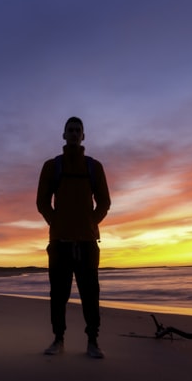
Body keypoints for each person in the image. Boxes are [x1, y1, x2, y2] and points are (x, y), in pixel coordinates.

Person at [36, 116, 111, 359]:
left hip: (88, 244)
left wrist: (89, 223)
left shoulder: (94, 166)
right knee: (58, 294)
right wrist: (57, 223)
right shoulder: (52, 166)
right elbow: (42, 202)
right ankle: (58, 339)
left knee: (91, 294)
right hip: (59, 243)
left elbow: (104, 202)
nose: (75, 133)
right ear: (64, 134)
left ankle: (93, 342)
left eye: (78, 130)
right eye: (70, 130)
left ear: (84, 136)